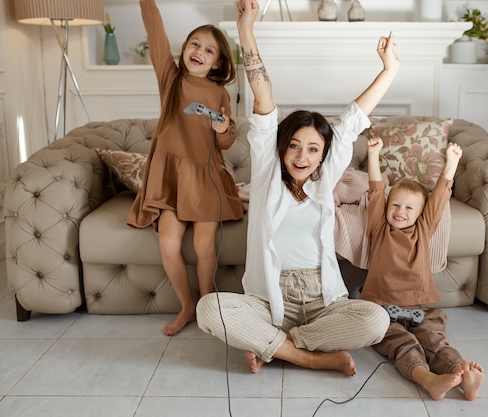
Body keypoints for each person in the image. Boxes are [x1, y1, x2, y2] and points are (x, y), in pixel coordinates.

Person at [196, 0, 398, 377]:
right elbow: (263, 94)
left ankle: (276, 346)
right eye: (293, 145)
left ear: (324, 155)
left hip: (322, 299)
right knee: (209, 309)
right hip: (267, 298)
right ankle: (310, 357)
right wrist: (246, 31)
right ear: (281, 145)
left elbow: (355, 118)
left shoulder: (324, 181)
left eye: (313, 149)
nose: (302, 157)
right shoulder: (267, 171)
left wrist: (390, 69)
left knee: (376, 320)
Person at [127, 0, 244, 337]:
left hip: (206, 178)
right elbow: (155, 32)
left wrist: (223, 129)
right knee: (168, 243)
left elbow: (226, 143)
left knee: (205, 246)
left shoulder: (219, 92)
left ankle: (207, 302)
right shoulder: (170, 78)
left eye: (208, 50)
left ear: (217, 62)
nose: (199, 51)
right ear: (183, 48)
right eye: (194, 44)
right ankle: (187, 306)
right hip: (172, 180)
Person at [361, 137, 484, 400]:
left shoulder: (423, 230)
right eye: (394, 205)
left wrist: (452, 163)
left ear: (420, 213)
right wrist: (373, 155)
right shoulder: (379, 228)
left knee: (433, 340)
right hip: (383, 313)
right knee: (403, 344)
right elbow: (375, 189)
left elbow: (439, 198)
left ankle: (461, 373)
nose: (400, 212)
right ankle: (428, 379)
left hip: (420, 311)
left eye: (408, 208)